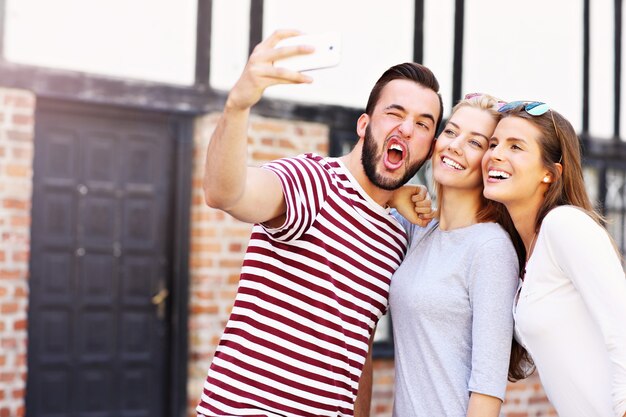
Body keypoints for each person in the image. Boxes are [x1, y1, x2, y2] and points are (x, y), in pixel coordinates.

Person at [196, 29, 443, 417]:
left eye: (423, 123)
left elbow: (355, 347)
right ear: (364, 125)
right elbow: (225, 193)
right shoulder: (314, 182)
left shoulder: (396, 235)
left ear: (428, 146)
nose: (407, 129)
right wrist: (237, 106)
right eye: (394, 113)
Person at [482, 101, 626, 417]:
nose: (495, 154)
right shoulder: (523, 252)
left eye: (515, 146)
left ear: (550, 173)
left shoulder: (564, 225)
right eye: (493, 143)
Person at [388, 93, 525, 417]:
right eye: (451, 132)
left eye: (475, 143)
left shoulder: (490, 248)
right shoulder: (419, 230)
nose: (454, 146)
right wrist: (395, 195)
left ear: (489, 163)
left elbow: (487, 390)